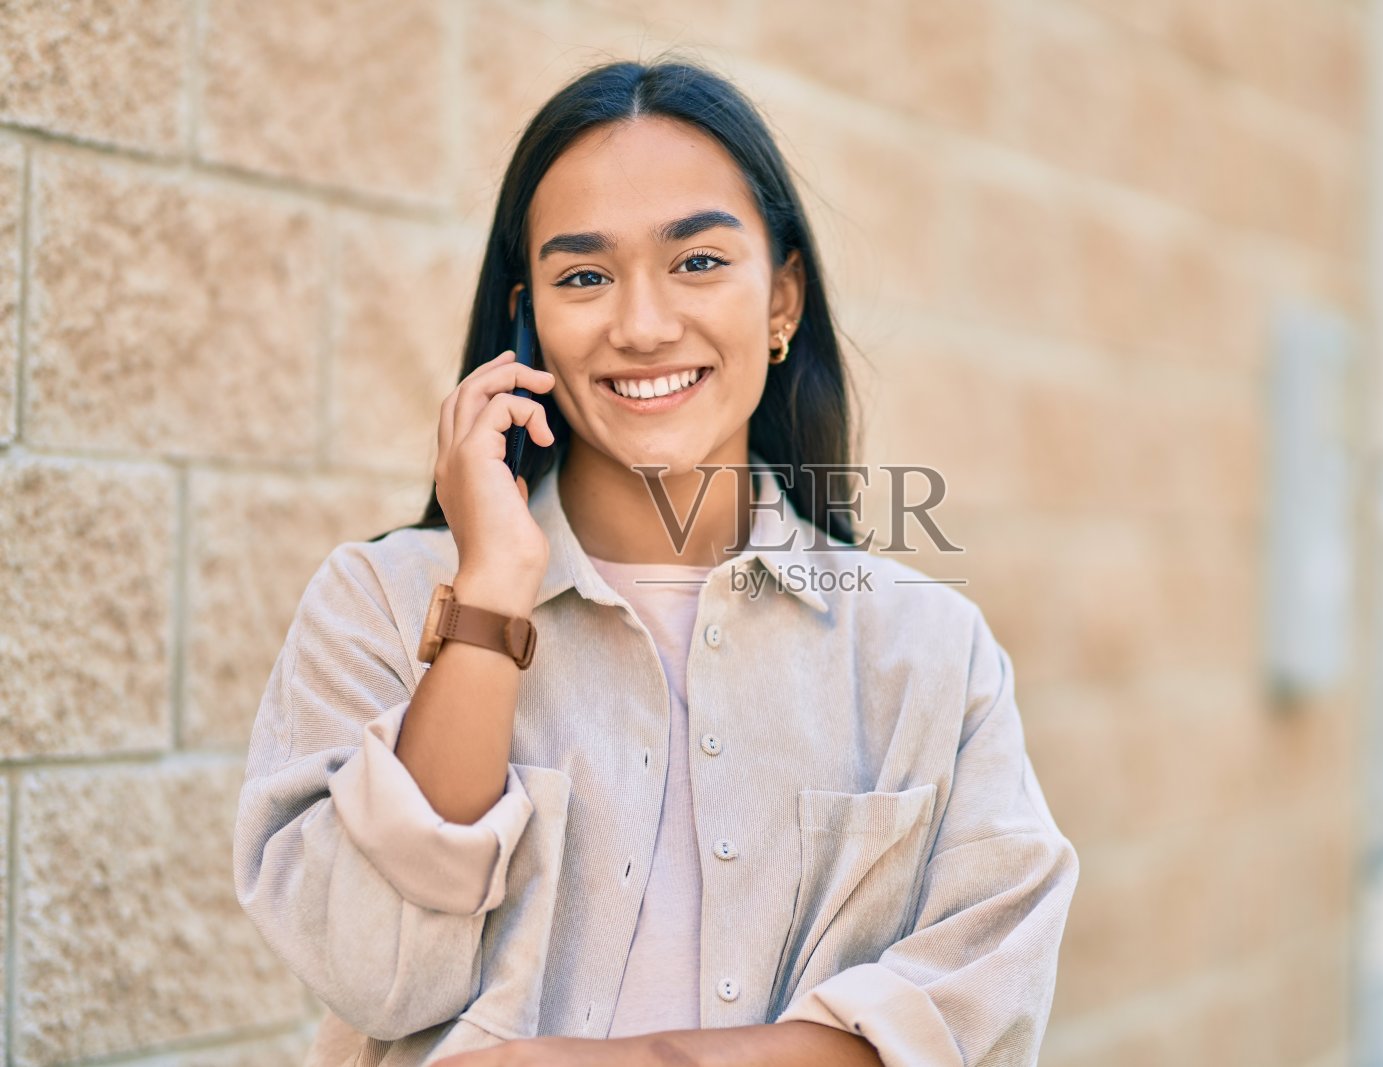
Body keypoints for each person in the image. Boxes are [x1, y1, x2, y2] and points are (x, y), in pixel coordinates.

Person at [233, 56, 1079, 1067]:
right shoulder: (375, 605)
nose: (640, 326)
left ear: (783, 302)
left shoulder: (928, 653)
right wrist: (490, 596)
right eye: (583, 275)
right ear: (528, 318)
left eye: (698, 262)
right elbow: (373, 974)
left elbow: (979, 1012)